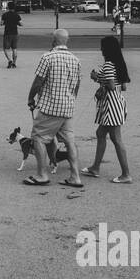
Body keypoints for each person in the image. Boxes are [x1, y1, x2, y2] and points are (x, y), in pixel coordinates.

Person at [25, 29, 84, 190]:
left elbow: (38, 81)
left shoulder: (47, 57)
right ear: (67, 41)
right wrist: (71, 100)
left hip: (50, 106)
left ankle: (42, 174)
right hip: (68, 107)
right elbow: (77, 86)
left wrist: (31, 98)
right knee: (69, 141)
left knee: (38, 137)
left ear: (53, 41)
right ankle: (75, 176)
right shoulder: (75, 60)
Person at [81, 35, 132, 184]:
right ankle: (95, 167)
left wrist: (96, 77)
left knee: (116, 138)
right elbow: (123, 86)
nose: (100, 49)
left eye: (102, 46)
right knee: (101, 133)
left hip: (111, 104)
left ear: (107, 49)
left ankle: (126, 174)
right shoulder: (119, 63)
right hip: (116, 101)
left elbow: (109, 85)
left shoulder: (109, 65)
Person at [0, 0, 22, 68]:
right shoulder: (17, 15)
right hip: (15, 33)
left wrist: (5, 22)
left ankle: (9, 60)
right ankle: (14, 63)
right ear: (14, 7)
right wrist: (17, 23)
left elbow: (1, 23)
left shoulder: (5, 15)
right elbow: (21, 24)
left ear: (8, 7)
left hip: (7, 33)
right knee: (14, 48)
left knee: (6, 49)